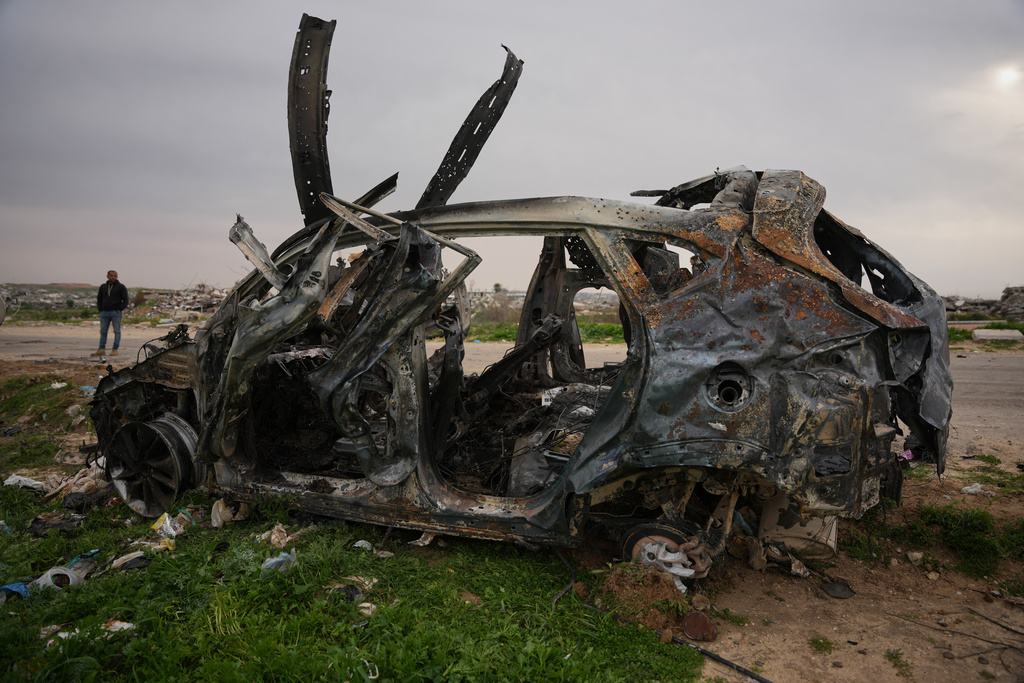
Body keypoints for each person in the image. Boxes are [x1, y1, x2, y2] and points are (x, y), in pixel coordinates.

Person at [92, 270, 129, 357]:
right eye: (111, 276)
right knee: (103, 331)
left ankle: (115, 349)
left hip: (115, 312)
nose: (113, 277)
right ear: (107, 276)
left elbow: (126, 300)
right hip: (104, 312)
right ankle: (101, 349)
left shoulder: (121, 287)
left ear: (117, 277)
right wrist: (100, 309)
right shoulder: (103, 287)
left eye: (115, 276)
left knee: (117, 331)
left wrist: (119, 309)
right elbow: (99, 299)